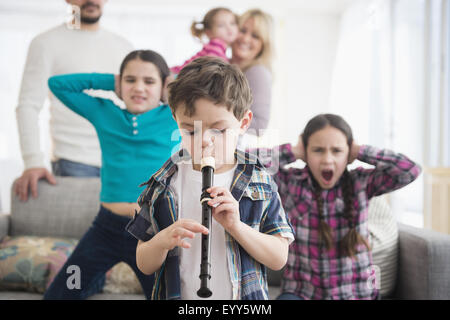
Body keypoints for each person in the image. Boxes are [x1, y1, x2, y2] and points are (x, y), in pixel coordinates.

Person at [126, 57, 294, 300]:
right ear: (176, 121)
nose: (205, 140)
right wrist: (162, 240)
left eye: (219, 129)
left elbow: (279, 257)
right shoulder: (163, 183)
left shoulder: (258, 180)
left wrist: (236, 227)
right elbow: (144, 263)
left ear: (244, 122)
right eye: (191, 130)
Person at [43, 50, 180, 299]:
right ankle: (92, 282)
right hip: (105, 228)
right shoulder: (105, 113)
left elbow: (204, 89)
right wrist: (110, 81)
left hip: (154, 231)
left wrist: (174, 82)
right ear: (120, 83)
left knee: (168, 298)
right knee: (61, 294)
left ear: (163, 87)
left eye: (149, 81)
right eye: (130, 80)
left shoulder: (175, 117)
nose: (138, 87)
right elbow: (57, 85)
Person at [260, 113, 421, 300]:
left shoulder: (361, 182)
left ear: (349, 153)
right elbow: (246, 164)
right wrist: (294, 150)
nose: (328, 159)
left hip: (355, 294)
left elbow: (410, 170)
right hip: (301, 293)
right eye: (318, 150)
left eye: (337, 150)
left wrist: (361, 151)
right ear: (306, 152)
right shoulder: (291, 183)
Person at [14, 0, 133, 202]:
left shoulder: (123, 46)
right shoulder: (46, 42)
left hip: (120, 161)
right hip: (73, 161)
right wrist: (33, 161)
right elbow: (28, 105)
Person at [231, 9, 274, 141]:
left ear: (263, 45)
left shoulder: (257, 72)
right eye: (243, 31)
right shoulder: (222, 63)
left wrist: (219, 121)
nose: (245, 38)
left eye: (255, 36)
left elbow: (259, 126)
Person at [170, 7, 239, 74]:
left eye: (232, 23)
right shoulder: (217, 45)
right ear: (209, 32)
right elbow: (213, 70)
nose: (229, 28)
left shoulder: (218, 47)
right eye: (221, 25)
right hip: (178, 74)